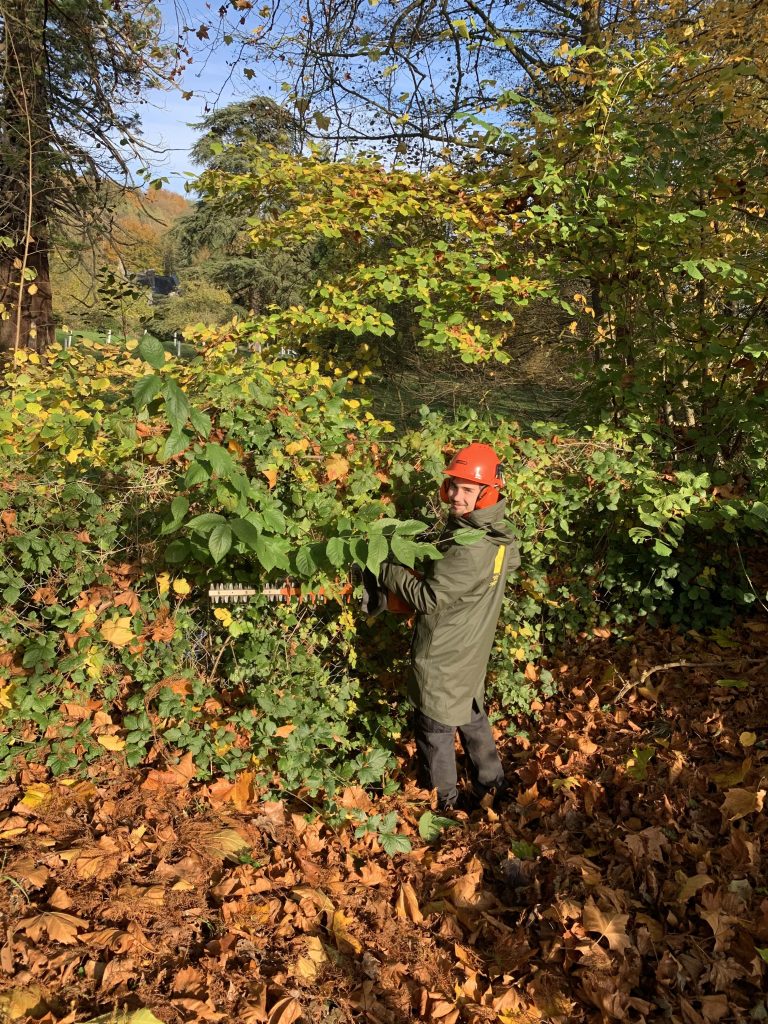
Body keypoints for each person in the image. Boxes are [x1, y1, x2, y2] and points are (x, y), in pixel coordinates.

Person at [370, 443, 520, 812]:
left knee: (434, 730)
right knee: (471, 714)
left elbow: (427, 600)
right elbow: (507, 567)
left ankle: (446, 808)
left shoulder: (469, 549)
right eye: (453, 485)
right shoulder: (499, 534)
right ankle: (494, 787)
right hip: (471, 648)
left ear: (488, 493)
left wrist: (384, 566)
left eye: (467, 489)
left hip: (444, 653)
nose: (454, 495)